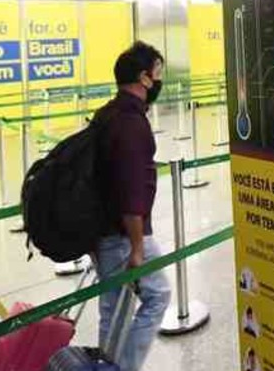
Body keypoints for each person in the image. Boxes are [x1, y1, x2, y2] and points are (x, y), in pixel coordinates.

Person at [92, 42, 172, 371]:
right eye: (157, 73)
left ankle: (107, 365)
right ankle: (124, 366)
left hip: (101, 230)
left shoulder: (107, 113)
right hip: (124, 236)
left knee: (112, 309)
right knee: (158, 295)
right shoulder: (131, 124)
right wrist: (138, 246)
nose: (159, 80)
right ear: (144, 78)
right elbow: (130, 193)